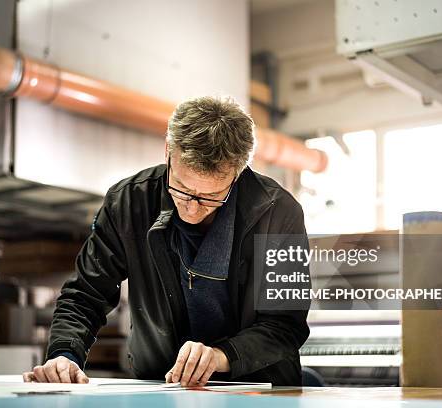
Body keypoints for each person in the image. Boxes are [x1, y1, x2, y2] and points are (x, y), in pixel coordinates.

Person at [22, 96, 311, 386]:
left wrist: (221, 356)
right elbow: (85, 295)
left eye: (211, 197)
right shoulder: (128, 203)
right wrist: (64, 354)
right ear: (168, 151)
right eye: (182, 188)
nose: (192, 209)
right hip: (162, 387)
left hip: (260, 391)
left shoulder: (279, 214)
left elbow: (286, 325)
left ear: (238, 173)